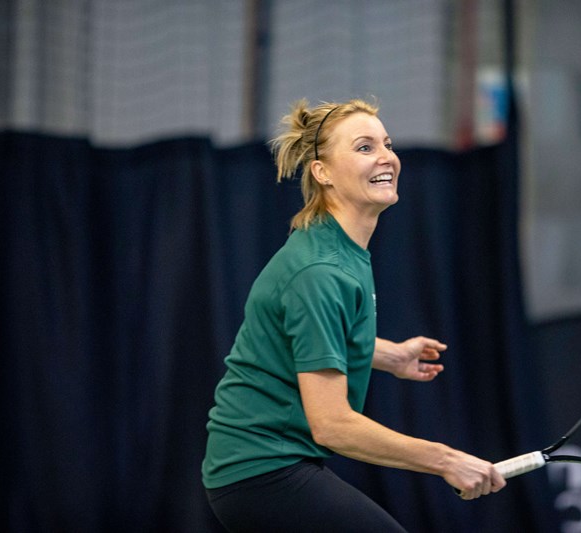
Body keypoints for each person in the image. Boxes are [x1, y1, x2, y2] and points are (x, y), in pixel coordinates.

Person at [201, 98, 506, 532]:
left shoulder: (339, 247)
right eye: (364, 148)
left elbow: (299, 335)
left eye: (387, 143)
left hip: (262, 466)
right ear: (322, 172)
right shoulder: (320, 271)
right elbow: (332, 426)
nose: (386, 157)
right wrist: (446, 459)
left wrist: (386, 355)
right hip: (260, 472)